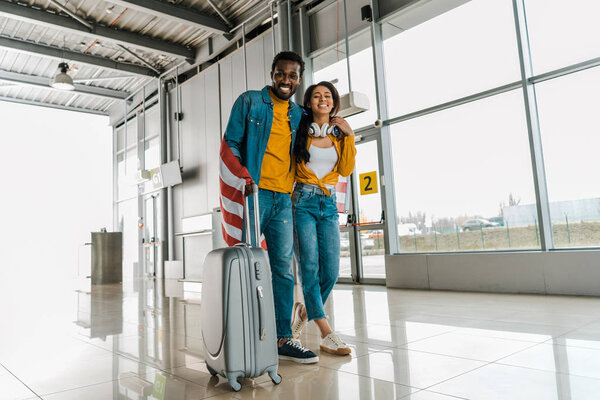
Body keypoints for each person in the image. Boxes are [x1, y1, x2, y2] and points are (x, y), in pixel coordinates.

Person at [222, 51, 319, 363]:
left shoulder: (297, 115)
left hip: (283, 199)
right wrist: (243, 176)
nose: (286, 80)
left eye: (292, 75)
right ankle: (246, 333)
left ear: (299, 79)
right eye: (280, 73)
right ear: (272, 73)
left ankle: (282, 338)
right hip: (256, 193)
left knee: (282, 270)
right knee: (248, 265)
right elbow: (231, 144)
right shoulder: (250, 102)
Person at [290, 81, 356, 356]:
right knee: (310, 268)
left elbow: (346, 168)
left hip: (327, 203)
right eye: (317, 95)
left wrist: (350, 135)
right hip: (302, 201)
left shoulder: (339, 136)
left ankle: (304, 311)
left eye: (327, 95)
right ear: (309, 102)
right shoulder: (300, 132)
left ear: (334, 102)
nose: (322, 99)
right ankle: (326, 333)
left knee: (330, 270)